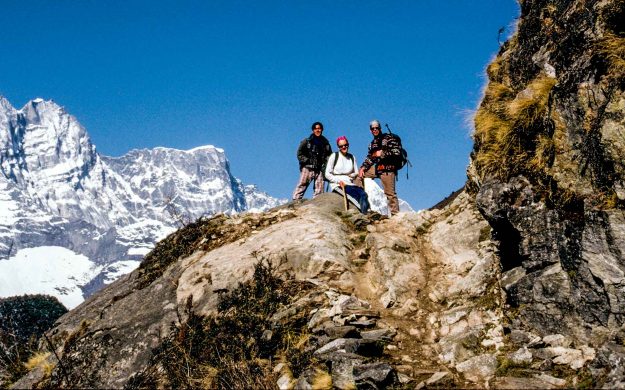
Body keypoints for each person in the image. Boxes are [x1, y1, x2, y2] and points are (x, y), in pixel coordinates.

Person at [354, 119, 399, 215]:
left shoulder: (388, 138)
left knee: (390, 194)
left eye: (376, 128)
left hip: (388, 168)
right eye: (372, 128)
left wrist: (381, 153)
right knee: (358, 176)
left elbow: (396, 152)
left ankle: (396, 216)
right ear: (370, 130)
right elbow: (370, 158)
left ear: (380, 128)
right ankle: (362, 203)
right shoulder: (372, 143)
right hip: (377, 168)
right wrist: (362, 168)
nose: (375, 130)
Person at [325, 136, 370, 213]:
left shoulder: (352, 157)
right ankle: (364, 214)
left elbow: (356, 172)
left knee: (363, 194)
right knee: (354, 197)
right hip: (338, 184)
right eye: (341, 146)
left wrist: (351, 175)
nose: (344, 147)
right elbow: (327, 174)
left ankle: (367, 211)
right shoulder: (334, 156)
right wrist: (338, 181)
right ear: (338, 147)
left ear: (348, 145)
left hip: (350, 183)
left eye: (345, 145)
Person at [292, 121, 332, 200]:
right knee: (301, 186)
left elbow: (330, 156)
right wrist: (306, 161)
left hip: (320, 169)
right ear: (313, 130)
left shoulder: (326, 143)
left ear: (322, 130)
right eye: (316, 129)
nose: (318, 130)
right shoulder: (306, 141)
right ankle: (295, 203)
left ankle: (317, 207)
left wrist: (326, 165)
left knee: (319, 190)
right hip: (308, 168)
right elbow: (299, 154)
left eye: (319, 128)